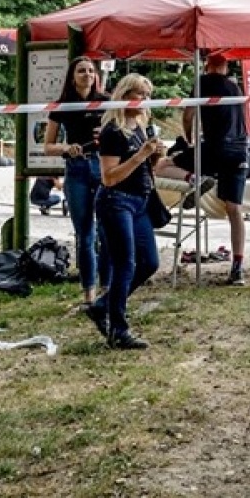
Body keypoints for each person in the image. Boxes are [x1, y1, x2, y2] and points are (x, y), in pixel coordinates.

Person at [86, 74, 164, 350]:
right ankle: (118, 328)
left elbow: (145, 168)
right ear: (124, 95)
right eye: (139, 94)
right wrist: (140, 156)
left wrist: (154, 158)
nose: (144, 100)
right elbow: (109, 177)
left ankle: (103, 306)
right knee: (125, 263)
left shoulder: (141, 127)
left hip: (140, 200)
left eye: (147, 94)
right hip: (116, 200)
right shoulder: (112, 132)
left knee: (150, 262)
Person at [175, 52, 250, 286]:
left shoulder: (202, 82)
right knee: (234, 208)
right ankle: (237, 265)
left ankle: (194, 177)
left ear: (207, 66)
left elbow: (188, 116)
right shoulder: (236, 88)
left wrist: (189, 141)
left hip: (214, 147)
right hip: (239, 150)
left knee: (163, 163)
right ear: (225, 67)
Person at [42, 56, 110, 305]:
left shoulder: (107, 102)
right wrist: (65, 147)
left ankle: (107, 289)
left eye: (91, 71)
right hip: (77, 169)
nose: (87, 74)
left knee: (106, 230)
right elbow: (47, 146)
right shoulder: (62, 105)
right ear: (72, 76)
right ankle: (89, 293)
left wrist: (106, 133)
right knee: (85, 233)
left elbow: (123, 131)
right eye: (82, 71)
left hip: (103, 167)